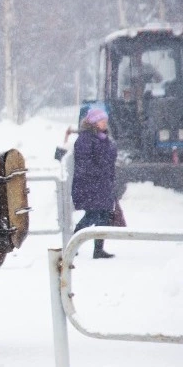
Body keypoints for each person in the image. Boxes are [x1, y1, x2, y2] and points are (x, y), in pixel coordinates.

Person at [72, 107, 118, 259]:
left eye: (105, 120)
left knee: (104, 216)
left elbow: (108, 158)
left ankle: (98, 249)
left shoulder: (103, 137)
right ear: (93, 122)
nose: (104, 123)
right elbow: (84, 163)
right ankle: (72, 244)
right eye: (101, 120)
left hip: (102, 184)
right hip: (90, 185)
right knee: (92, 216)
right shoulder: (85, 138)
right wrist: (100, 171)